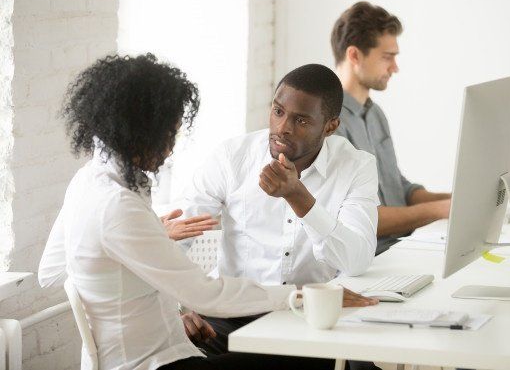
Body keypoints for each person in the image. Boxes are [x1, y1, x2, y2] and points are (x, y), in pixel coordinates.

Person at [38, 54, 374, 370]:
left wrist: (131, 258)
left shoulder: (87, 181)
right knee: (319, 360)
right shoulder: (122, 206)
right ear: (141, 133)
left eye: (300, 120)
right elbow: (204, 293)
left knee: (333, 355)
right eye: (169, 134)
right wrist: (303, 295)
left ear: (329, 126)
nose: (170, 148)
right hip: (165, 359)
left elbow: (51, 271)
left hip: (171, 347)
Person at [172, 64, 380, 368]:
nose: (283, 127)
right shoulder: (232, 158)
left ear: (330, 126)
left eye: (301, 120)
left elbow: (357, 260)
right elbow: (173, 240)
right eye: (278, 111)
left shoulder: (355, 166)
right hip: (229, 319)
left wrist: (300, 198)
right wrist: (173, 312)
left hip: (307, 320)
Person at [332, 1, 452, 254]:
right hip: (373, 260)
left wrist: (459, 199)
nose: (395, 68)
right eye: (387, 57)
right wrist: (441, 210)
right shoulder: (330, 125)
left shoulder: (375, 115)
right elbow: (362, 219)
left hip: (403, 247)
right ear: (354, 55)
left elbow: (399, 189)